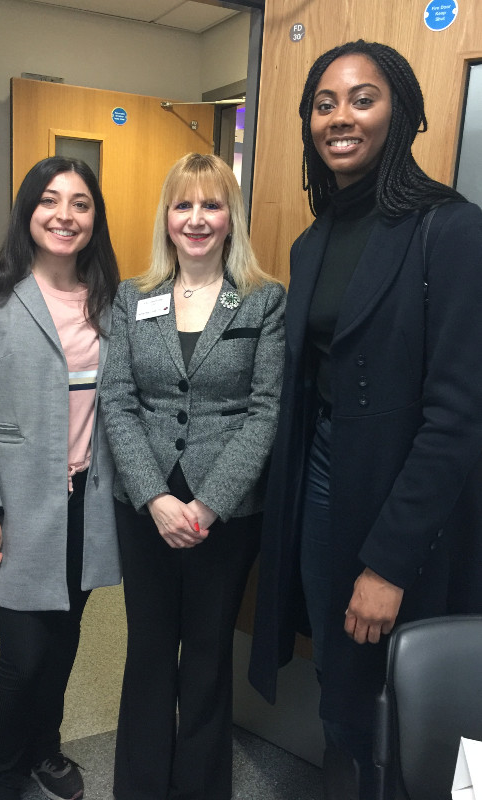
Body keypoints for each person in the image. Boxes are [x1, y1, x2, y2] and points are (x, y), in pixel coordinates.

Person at [248, 39, 482, 800]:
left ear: (401, 111)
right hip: (323, 490)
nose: (340, 117)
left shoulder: (449, 230)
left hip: (412, 513)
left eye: (362, 97)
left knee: (427, 717)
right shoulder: (310, 242)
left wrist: (386, 563)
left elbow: (457, 415)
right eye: (324, 102)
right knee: (345, 693)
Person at [100, 152, 285, 800]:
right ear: (168, 217)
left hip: (226, 514)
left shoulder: (263, 301)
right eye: (184, 205)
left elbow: (266, 412)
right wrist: (154, 495)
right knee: (150, 653)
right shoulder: (134, 296)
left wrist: (206, 503)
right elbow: (116, 399)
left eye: (211, 205)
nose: (197, 218)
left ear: (230, 216)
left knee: (207, 656)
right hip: (142, 505)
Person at [0, 156, 121, 800]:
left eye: (80, 203)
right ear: (28, 211)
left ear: (94, 218)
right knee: (23, 656)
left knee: (66, 642)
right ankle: (1, 773)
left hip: (89, 507)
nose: (64, 216)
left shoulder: (113, 302)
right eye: (50, 200)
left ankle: (47, 749)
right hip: (18, 509)